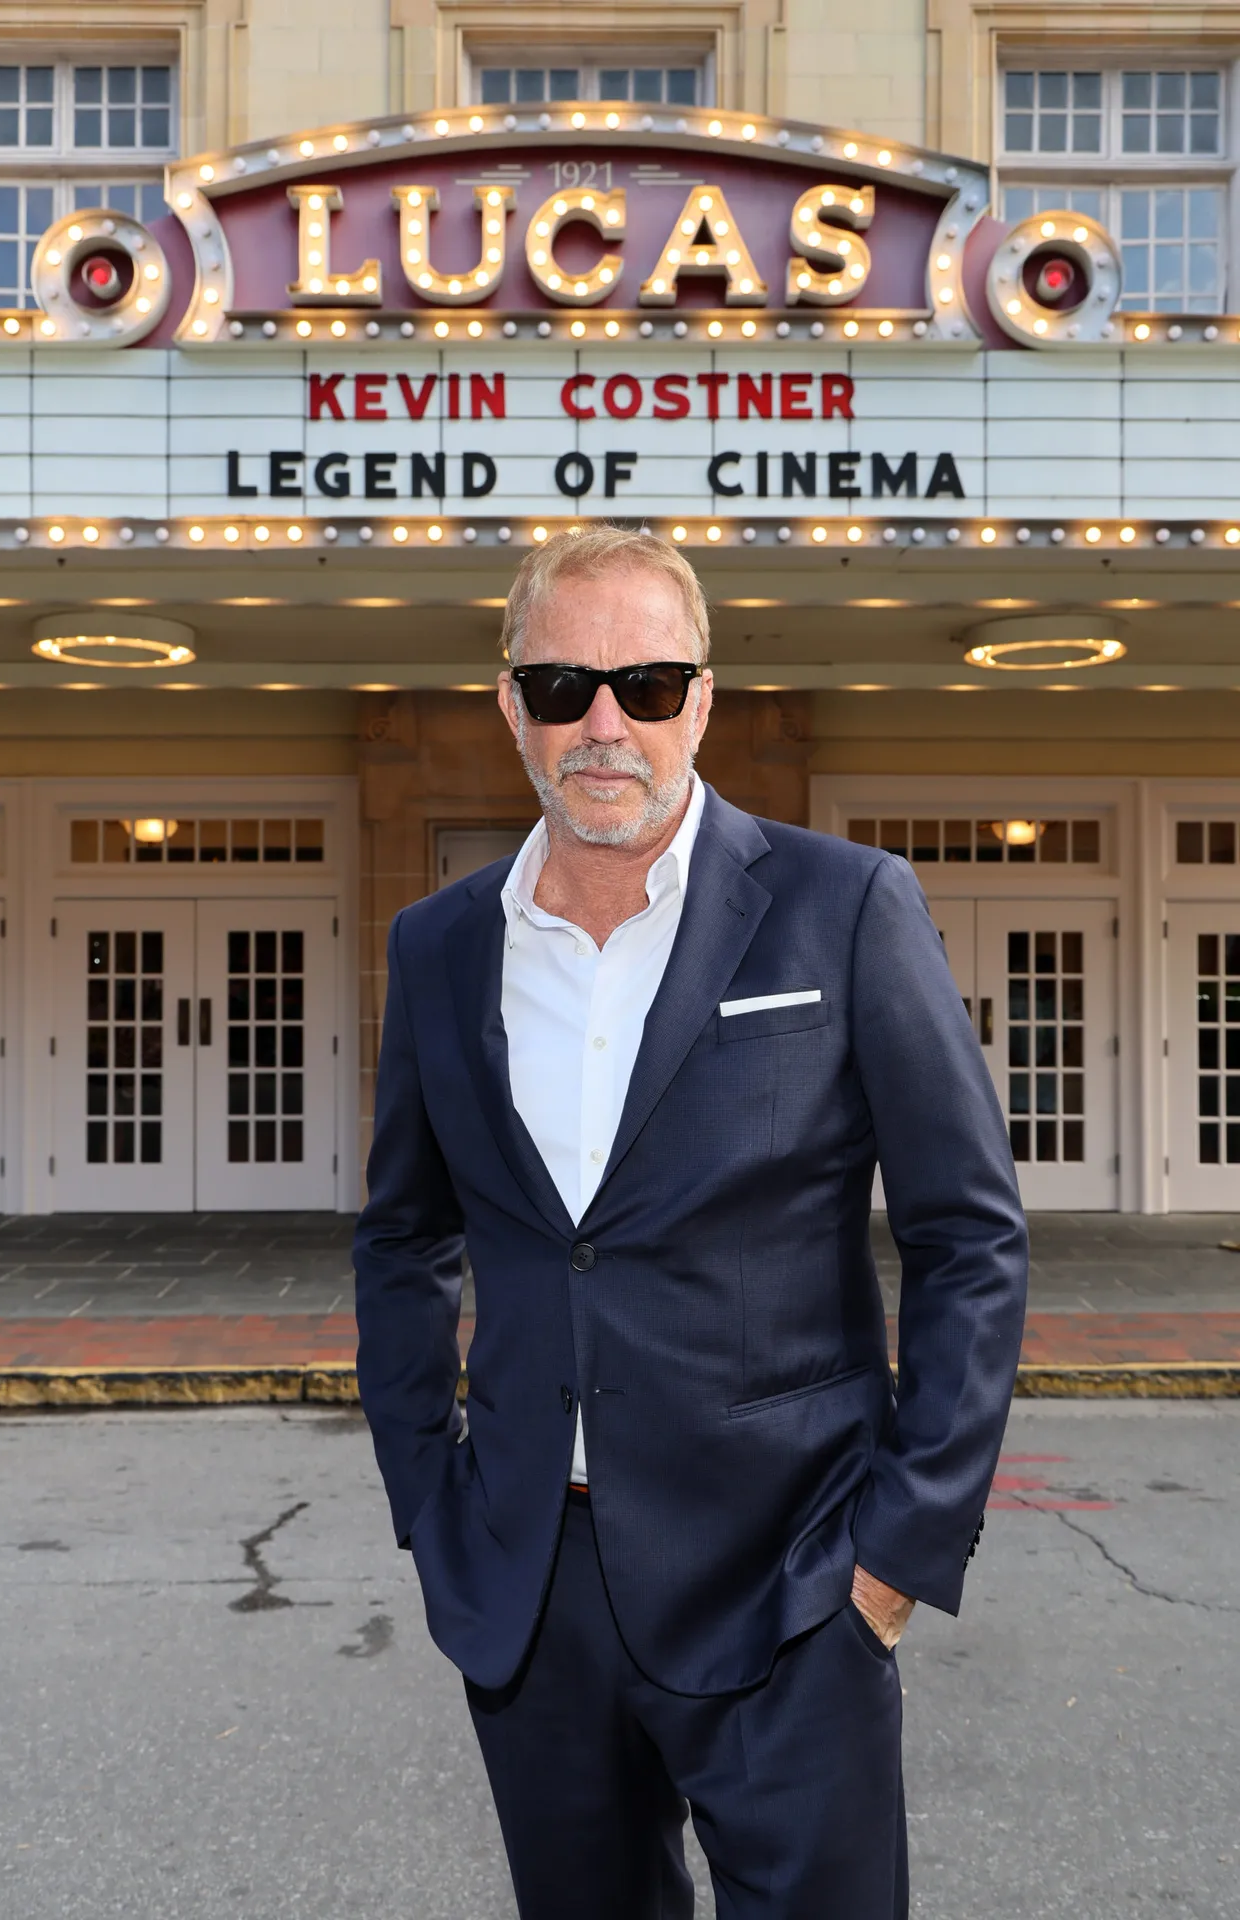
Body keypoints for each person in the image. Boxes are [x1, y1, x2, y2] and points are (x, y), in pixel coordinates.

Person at [354, 524, 1028, 1920]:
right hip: (534, 1585)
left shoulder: (843, 908)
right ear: (511, 705)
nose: (606, 723)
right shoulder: (437, 945)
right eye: (563, 686)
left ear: (702, 700)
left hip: (792, 1579)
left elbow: (971, 1235)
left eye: (649, 684)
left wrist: (899, 1552)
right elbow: (402, 1242)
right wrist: (433, 1507)